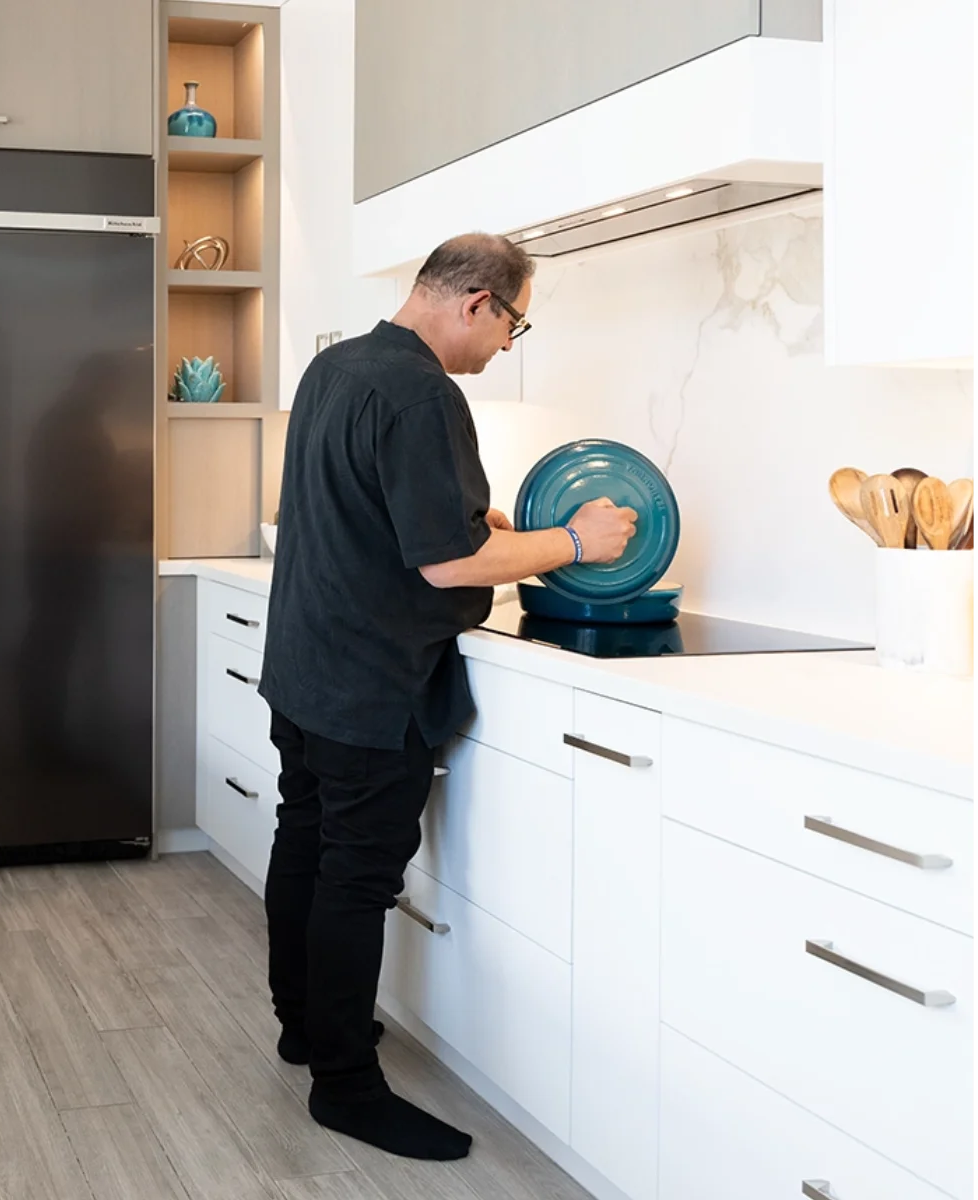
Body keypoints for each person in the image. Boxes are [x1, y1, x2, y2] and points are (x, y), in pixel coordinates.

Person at [258, 233, 637, 1161]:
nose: (507, 344)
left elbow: (386, 512)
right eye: (514, 323)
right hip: (367, 681)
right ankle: (345, 1088)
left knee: (304, 839)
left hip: (306, 665)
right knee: (356, 872)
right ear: (477, 302)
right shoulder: (427, 391)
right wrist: (579, 542)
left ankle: (306, 1027)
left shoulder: (336, 365)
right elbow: (448, 562)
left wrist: (483, 522)